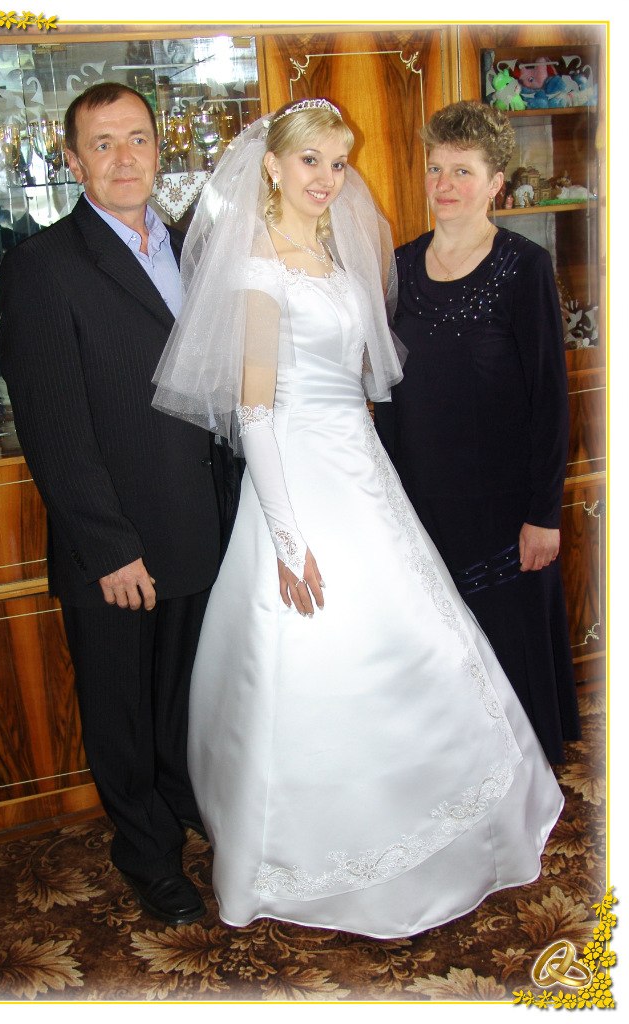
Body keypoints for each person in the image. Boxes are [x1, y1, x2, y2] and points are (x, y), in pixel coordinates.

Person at [152, 98, 564, 939]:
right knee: (323, 652)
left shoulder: (340, 258)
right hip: (299, 483)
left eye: (338, 163)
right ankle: (313, 849)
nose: (327, 179)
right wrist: (288, 538)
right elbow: (255, 413)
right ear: (273, 166)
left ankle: (440, 821)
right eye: (310, 161)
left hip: (363, 473)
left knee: (421, 643)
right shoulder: (258, 269)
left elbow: (372, 380)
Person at [0, 83, 238, 927]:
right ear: (73, 162)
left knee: (179, 698)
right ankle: (145, 855)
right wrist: (107, 547)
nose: (125, 157)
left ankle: (178, 804)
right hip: (118, 545)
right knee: (121, 712)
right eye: (103, 144)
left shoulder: (191, 250)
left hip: (198, 522)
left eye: (137, 138)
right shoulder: (42, 265)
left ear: (158, 148)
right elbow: (52, 425)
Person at [374, 100, 581, 765]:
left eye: (462, 171)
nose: (444, 185)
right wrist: (388, 506)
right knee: (443, 662)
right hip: (425, 507)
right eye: (435, 168)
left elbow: (550, 399)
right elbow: (388, 398)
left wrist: (543, 515)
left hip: (506, 511)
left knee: (510, 658)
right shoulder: (398, 269)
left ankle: (525, 795)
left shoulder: (525, 267)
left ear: (495, 182)